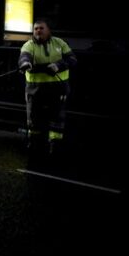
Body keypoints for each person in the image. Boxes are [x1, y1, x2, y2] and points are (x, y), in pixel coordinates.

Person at [18, 19, 77, 155]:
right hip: (35, 89)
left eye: (41, 28)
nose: (38, 31)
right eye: (36, 29)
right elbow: (24, 57)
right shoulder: (28, 45)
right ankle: (33, 143)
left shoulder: (59, 43)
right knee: (33, 118)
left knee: (57, 118)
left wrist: (59, 65)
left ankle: (55, 144)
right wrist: (25, 63)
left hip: (58, 88)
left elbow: (72, 59)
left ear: (48, 30)